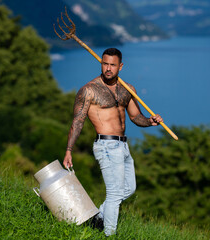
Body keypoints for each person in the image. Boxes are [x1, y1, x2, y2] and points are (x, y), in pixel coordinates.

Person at [63, 48, 163, 236]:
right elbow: (77, 122)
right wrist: (69, 150)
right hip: (106, 145)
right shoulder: (89, 90)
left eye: (112, 65)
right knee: (115, 194)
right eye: (105, 63)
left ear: (121, 66)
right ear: (101, 63)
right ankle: (109, 235)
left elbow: (135, 117)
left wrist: (150, 122)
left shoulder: (128, 89)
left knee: (129, 188)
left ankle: (96, 216)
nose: (108, 68)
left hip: (123, 146)